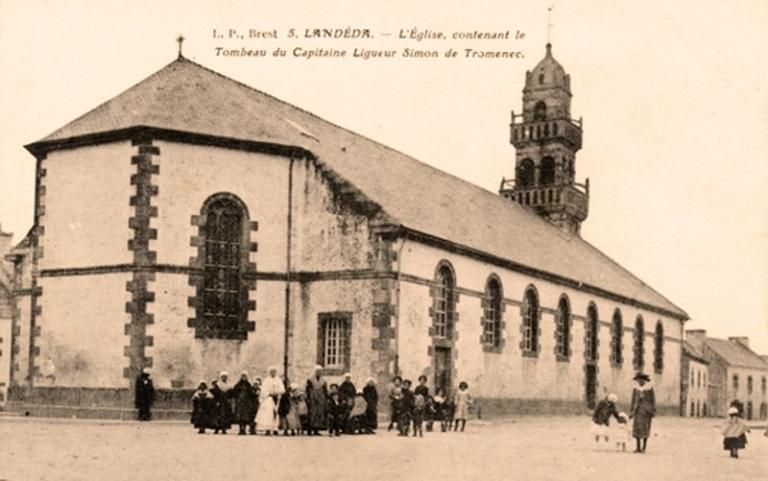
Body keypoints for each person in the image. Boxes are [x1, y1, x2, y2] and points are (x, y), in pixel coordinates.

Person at [629, 372, 656, 453]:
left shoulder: (649, 389)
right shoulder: (636, 389)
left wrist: (653, 410)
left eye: (641, 380)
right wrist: (631, 411)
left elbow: (653, 400)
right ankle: (638, 447)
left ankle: (644, 447)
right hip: (637, 410)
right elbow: (633, 400)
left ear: (644, 380)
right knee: (637, 429)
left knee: (645, 429)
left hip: (646, 411)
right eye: (638, 380)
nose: (639, 381)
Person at [256, 366, 285, 435]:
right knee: (268, 413)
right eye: (271, 372)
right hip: (269, 398)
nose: (273, 373)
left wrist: (277, 392)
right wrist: (269, 393)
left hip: (276, 398)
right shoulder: (266, 380)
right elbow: (264, 390)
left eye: (274, 372)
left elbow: (282, 389)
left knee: (276, 413)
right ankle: (268, 429)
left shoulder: (278, 380)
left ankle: (275, 428)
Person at [306, 365, 328, 435]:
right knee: (312, 413)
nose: (319, 373)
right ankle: (309, 430)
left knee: (319, 413)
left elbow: (325, 389)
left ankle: (316, 429)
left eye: (320, 371)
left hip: (320, 397)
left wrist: (325, 397)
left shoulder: (323, 380)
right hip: (312, 396)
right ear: (315, 372)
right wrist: (309, 397)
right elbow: (308, 389)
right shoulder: (310, 379)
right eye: (317, 371)